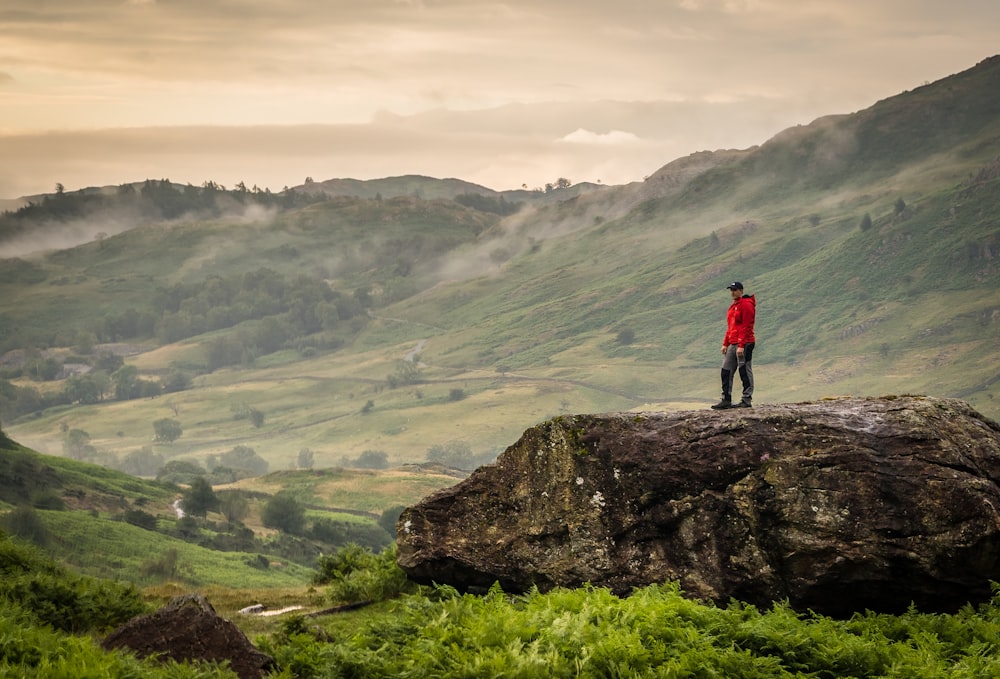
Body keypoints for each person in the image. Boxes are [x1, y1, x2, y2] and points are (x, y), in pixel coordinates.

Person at [711, 281, 756, 409]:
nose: (732, 292)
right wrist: (725, 343)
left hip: (745, 343)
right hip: (733, 343)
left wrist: (741, 345)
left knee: (744, 370)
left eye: (735, 290)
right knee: (726, 370)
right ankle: (726, 399)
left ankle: (746, 399)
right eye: (731, 290)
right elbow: (731, 326)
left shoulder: (746, 305)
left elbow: (747, 326)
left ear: (741, 291)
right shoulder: (733, 306)